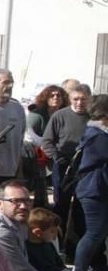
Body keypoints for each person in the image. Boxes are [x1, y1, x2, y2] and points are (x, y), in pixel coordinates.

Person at [41, 83, 90, 225]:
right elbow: (47, 141)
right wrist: (56, 157)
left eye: (83, 99)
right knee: (61, 202)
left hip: (86, 166)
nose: (79, 102)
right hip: (64, 166)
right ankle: (58, 235)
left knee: (81, 204)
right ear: (70, 99)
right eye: (76, 99)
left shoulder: (93, 117)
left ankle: (77, 238)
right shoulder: (60, 116)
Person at [73, 93, 108, 271]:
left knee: (99, 232)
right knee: (94, 232)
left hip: (98, 189)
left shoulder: (97, 134)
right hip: (93, 190)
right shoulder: (98, 136)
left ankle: (93, 269)